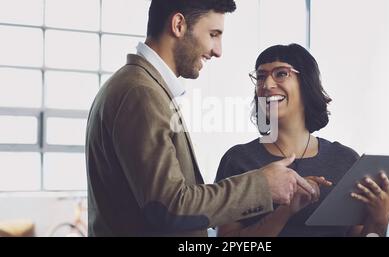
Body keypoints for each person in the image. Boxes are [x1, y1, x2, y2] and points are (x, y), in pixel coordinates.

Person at [85, 0, 315, 236]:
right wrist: (262, 186)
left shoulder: (142, 87)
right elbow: (170, 208)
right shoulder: (140, 92)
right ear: (178, 25)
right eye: (213, 34)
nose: (218, 50)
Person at [215, 44, 389, 237]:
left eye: (281, 73)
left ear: (306, 82)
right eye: (261, 76)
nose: (267, 85)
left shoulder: (345, 160)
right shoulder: (239, 160)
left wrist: (381, 217)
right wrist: (285, 211)